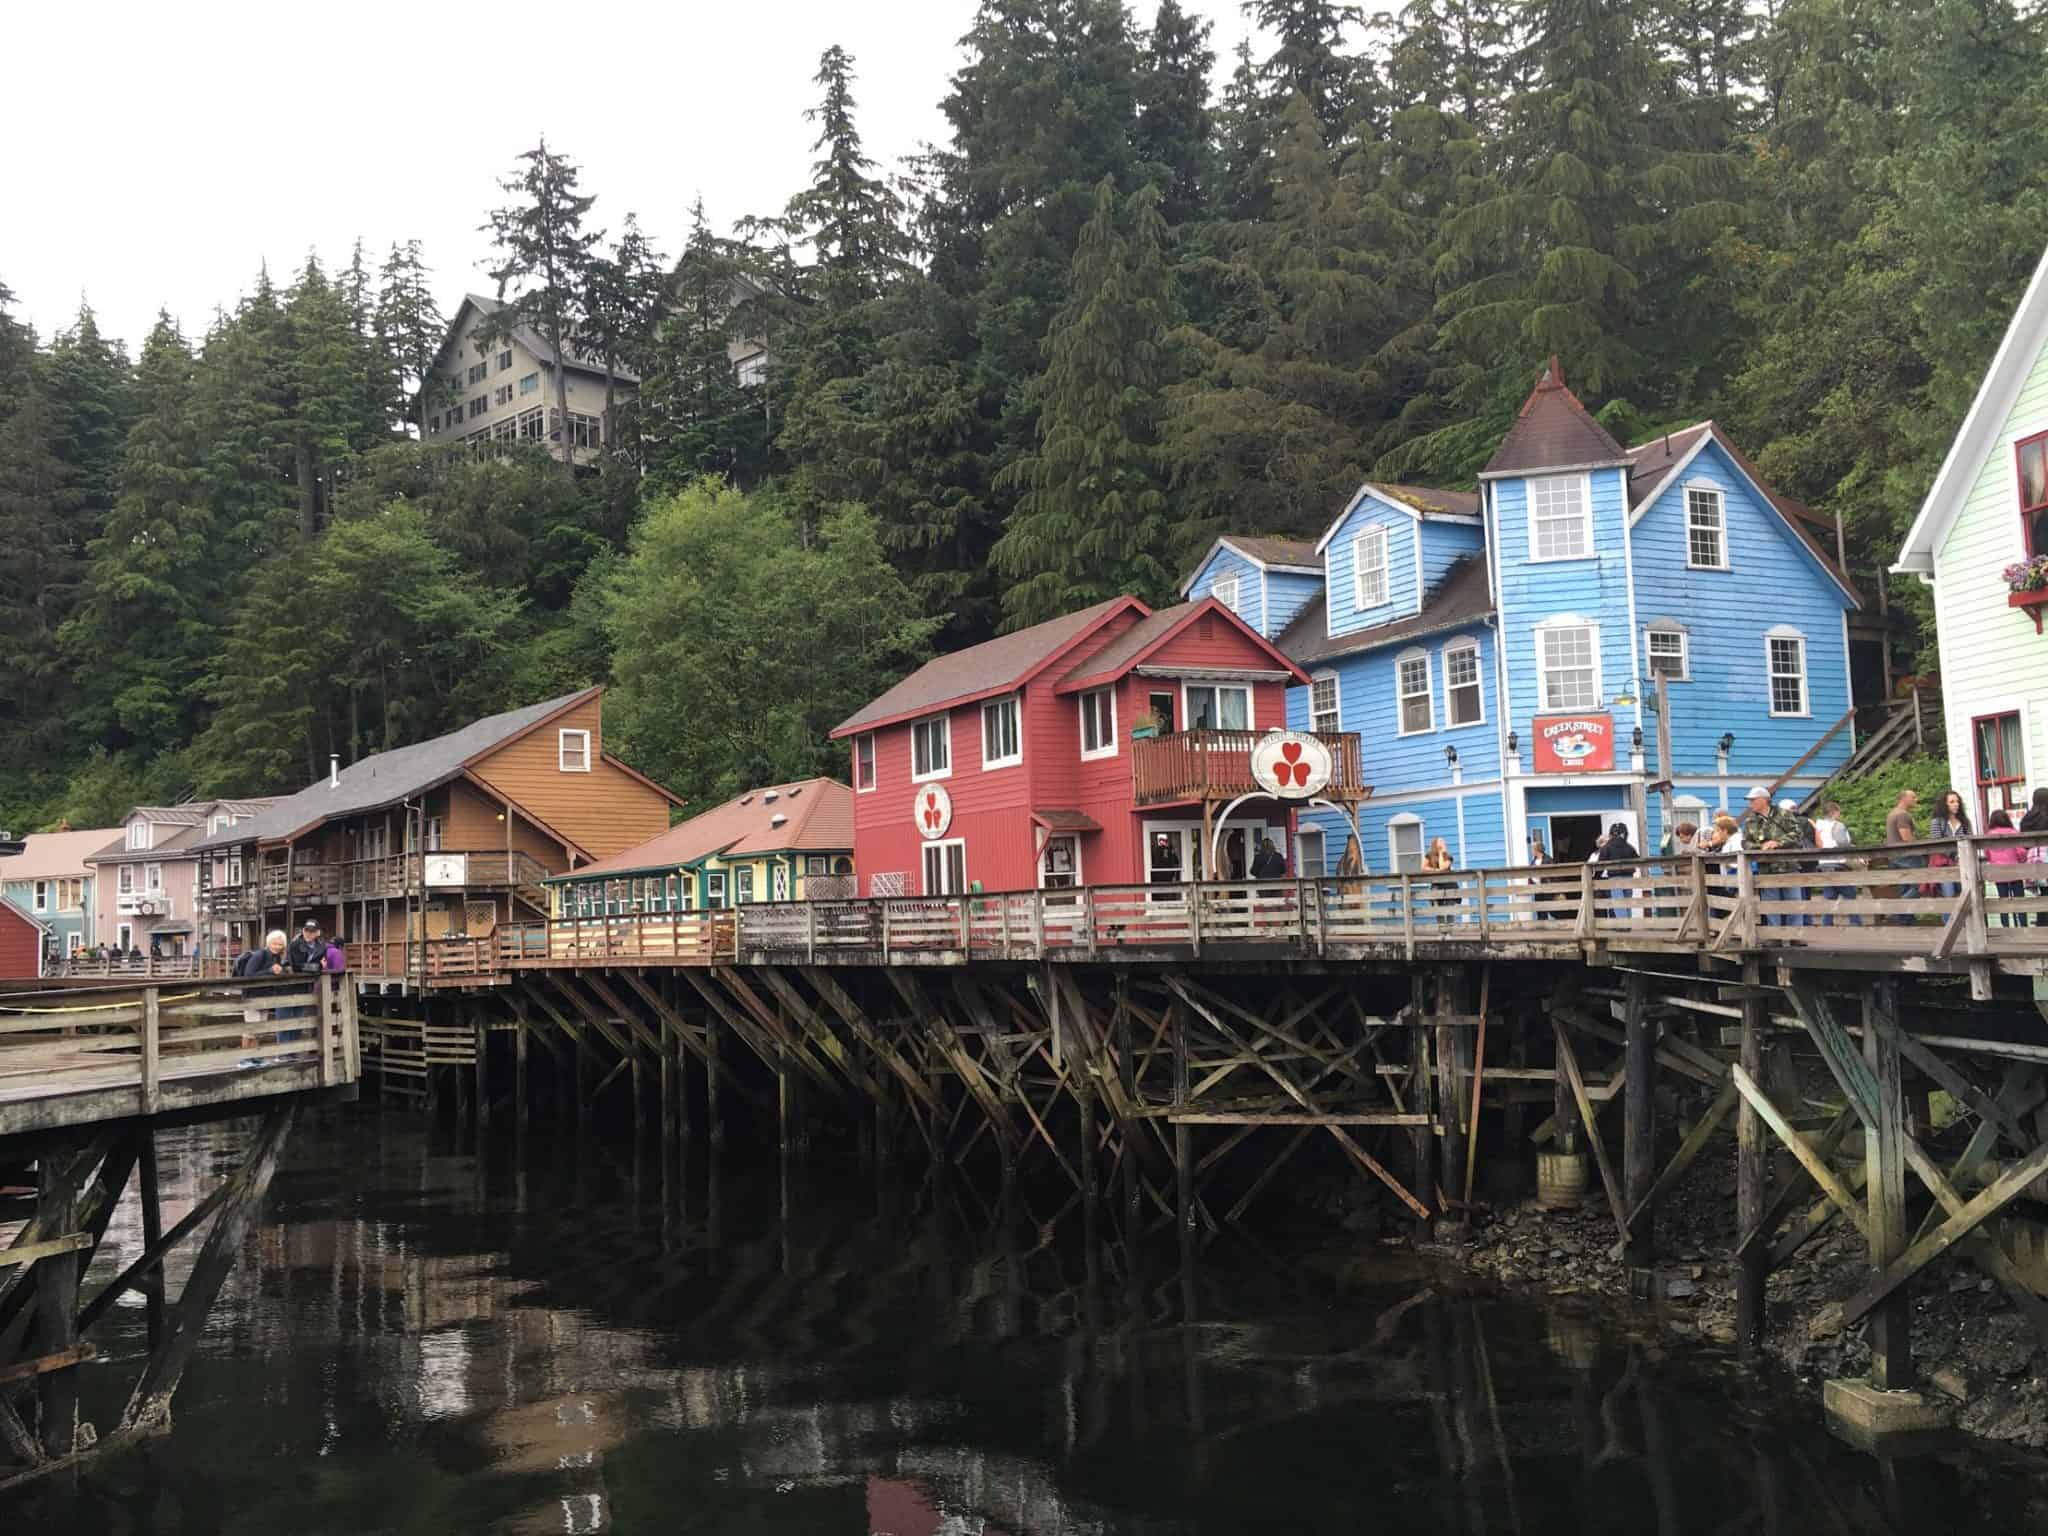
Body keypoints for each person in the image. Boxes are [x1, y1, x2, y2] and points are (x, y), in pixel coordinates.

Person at [1739, 786, 1804, 927]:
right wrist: (1760, 847)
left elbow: (1798, 834)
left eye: (1753, 800)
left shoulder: (1784, 814)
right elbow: (1745, 843)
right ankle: (1773, 936)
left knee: (1793, 902)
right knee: (1770, 904)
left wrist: (1779, 843)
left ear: (1764, 800)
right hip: (1766, 868)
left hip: (1788, 865)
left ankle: (1796, 936)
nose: (1750, 803)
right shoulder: (1750, 821)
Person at [1811, 800, 1860, 927]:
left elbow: (1818, 844)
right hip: (1839, 863)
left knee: (1829, 896)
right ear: (1834, 812)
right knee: (1850, 896)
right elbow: (1843, 844)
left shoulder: (1818, 826)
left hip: (1824, 863)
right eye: (1838, 812)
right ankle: (1855, 923)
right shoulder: (1838, 826)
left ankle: (1826, 924)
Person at [1884, 788, 1922, 926]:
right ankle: (1897, 911)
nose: (1916, 799)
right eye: (1913, 797)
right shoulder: (1902, 815)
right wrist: (1919, 848)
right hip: (1907, 856)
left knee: (1905, 888)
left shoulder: (1892, 813)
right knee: (1921, 884)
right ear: (1904, 799)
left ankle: (1907, 920)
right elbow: (1906, 837)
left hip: (1894, 857)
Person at [1986, 810, 2027, 928]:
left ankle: (2005, 928)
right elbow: (2021, 852)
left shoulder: (1988, 835)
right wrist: (2022, 860)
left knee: (2002, 902)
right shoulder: (2013, 832)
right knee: (2020, 901)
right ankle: (2023, 926)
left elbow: (1987, 853)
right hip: (2015, 872)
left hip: (1999, 874)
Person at [1927, 790, 1971, 900]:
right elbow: (1937, 844)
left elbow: (1970, 842)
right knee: (1949, 895)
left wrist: (1961, 858)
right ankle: (1948, 918)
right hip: (1943, 864)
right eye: (1952, 802)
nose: (1956, 804)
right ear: (1944, 804)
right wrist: (1955, 857)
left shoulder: (1964, 822)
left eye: (1957, 801)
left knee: (1966, 895)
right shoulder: (1937, 821)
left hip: (1963, 864)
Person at [2021, 787, 2048, 927]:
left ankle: (2042, 924)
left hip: (2032, 859)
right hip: (2046, 857)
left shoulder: (2027, 818)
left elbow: (2023, 843)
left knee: (2042, 893)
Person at [1528, 830, 1565, 921]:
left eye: (1533, 849)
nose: (1532, 851)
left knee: (1552, 910)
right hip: (1537, 890)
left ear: (1537, 850)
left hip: (1547, 889)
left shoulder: (1548, 860)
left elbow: (1555, 875)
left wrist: (1555, 889)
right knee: (1540, 911)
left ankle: (1559, 926)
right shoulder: (1533, 861)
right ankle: (1542, 930)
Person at [1420, 836, 1457, 923]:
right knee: (1438, 910)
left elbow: (1442, 867)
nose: (1443, 842)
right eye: (1440, 841)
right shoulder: (1429, 855)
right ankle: (1442, 932)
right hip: (1437, 885)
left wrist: (1441, 853)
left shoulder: (1449, 857)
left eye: (1443, 841)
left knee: (1450, 910)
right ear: (1435, 843)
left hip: (1449, 885)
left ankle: (1448, 932)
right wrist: (1434, 870)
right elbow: (1423, 868)